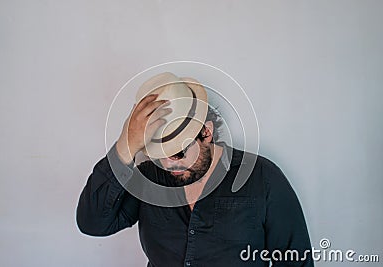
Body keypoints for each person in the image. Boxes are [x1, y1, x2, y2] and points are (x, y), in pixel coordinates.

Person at [76, 73, 314, 267]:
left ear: (206, 133)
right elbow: (93, 223)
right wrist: (125, 147)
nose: (170, 165)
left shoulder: (263, 179)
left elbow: (296, 262)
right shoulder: (149, 176)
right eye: (160, 157)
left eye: (179, 152)